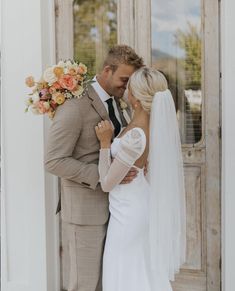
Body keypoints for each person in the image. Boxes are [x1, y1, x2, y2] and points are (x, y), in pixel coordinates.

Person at [44, 45, 143, 291]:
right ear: (107, 71)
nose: (127, 87)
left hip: (115, 210)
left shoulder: (118, 102)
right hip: (85, 213)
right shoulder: (75, 106)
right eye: (124, 79)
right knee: (84, 285)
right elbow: (53, 160)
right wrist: (105, 177)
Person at [95, 67, 186, 291]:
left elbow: (106, 183)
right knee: (138, 271)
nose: (126, 90)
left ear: (135, 98)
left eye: (130, 87)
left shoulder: (136, 134)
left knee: (122, 272)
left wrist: (105, 144)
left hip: (128, 214)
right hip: (135, 204)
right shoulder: (149, 127)